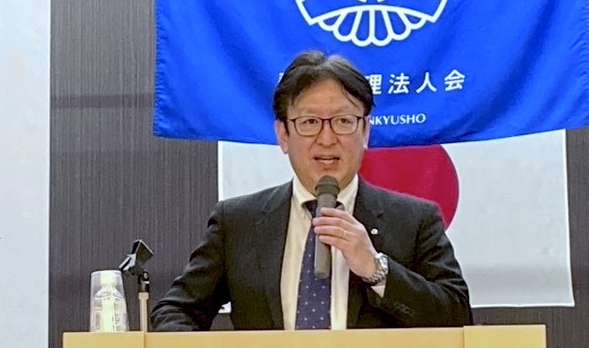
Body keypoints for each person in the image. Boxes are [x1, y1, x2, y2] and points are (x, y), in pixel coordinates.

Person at [151, 51, 472, 331]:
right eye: (309, 122)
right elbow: (176, 312)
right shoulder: (237, 223)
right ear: (283, 135)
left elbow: (457, 317)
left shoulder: (414, 221)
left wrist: (376, 270)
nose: (327, 139)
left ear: (365, 132)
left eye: (343, 121)